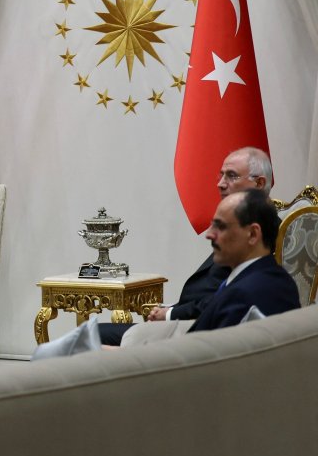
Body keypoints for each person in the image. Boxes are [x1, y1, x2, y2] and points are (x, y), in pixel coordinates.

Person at [98, 147, 273, 345]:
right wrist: (171, 309)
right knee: (93, 334)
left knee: (93, 337)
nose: (220, 184)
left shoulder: (255, 235)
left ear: (259, 183)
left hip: (194, 334)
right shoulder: (247, 229)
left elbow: (226, 300)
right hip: (190, 323)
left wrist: (170, 314)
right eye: (221, 175)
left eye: (231, 176)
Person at [187, 189, 300, 332]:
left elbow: (217, 352)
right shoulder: (282, 280)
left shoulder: (242, 295)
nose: (209, 235)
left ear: (253, 234)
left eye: (220, 226)